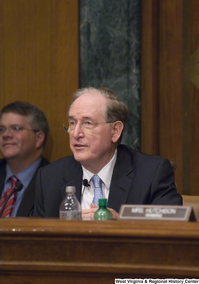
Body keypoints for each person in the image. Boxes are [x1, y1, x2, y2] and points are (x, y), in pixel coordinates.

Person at [33, 87, 182, 219]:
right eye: (72, 123)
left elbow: (171, 229)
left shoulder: (151, 173)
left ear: (115, 131)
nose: (76, 133)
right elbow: (36, 242)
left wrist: (122, 225)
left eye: (88, 123)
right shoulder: (49, 178)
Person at [0, 101, 49, 217]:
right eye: (1, 129)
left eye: (15, 128)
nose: (6, 134)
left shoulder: (53, 182)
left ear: (38, 138)